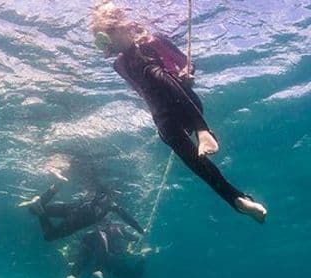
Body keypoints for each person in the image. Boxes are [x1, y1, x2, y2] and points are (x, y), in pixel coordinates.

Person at [90, 1, 267, 222]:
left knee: (152, 70)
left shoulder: (151, 42)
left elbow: (186, 63)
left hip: (184, 103)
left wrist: (186, 74)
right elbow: (140, 91)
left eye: (106, 37)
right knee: (193, 161)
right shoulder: (119, 65)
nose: (105, 45)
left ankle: (203, 131)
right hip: (163, 117)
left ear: (121, 28)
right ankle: (238, 200)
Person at [18, 179, 144, 241]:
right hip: (75, 221)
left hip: (71, 208)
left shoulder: (99, 196)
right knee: (49, 237)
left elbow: (128, 219)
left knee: (33, 209)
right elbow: (128, 219)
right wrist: (141, 231)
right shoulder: (113, 206)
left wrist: (140, 230)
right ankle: (40, 208)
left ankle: (55, 187)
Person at [65, 223, 145, 278]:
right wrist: (142, 254)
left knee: (84, 257)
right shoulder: (117, 228)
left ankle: (73, 275)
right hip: (109, 259)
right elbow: (135, 238)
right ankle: (98, 271)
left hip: (90, 243)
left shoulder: (92, 230)